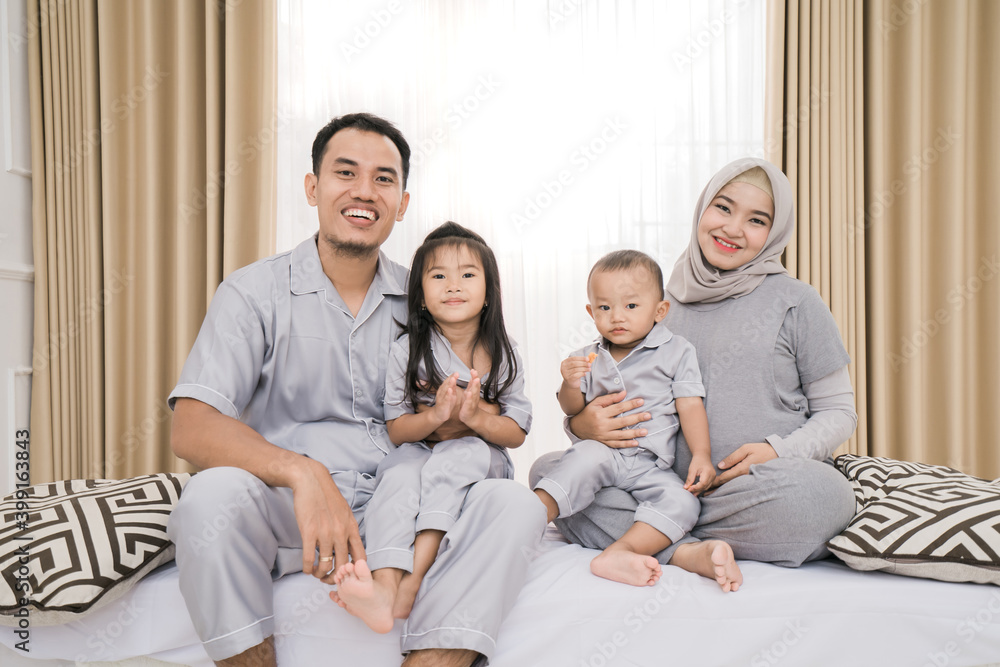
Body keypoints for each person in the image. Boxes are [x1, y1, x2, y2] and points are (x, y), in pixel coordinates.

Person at [167, 113, 545, 667]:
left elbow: (485, 405)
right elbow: (192, 427)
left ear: (402, 202)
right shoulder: (252, 292)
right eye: (346, 173)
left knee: (513, 504)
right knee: (207, 500)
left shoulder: (429, 300)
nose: (364, 191)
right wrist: (303, 472)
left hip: (406, 502)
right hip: (291, 507)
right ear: (312, 187)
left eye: (384, 179)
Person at [530, 157, 858, 579]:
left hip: (750, 490)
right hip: (654, 481)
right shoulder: (653, 304)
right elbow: (601, 393)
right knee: (549, 470)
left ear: (775, 233)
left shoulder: (797, 302)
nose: (733, 228)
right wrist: (582, 426)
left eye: (756, 220)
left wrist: (778, 449)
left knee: (824, 497)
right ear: (702, 208)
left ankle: (661, 534)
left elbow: (838, 412)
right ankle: (684, 547)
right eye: (723, 208)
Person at [331, 221, 532, 633]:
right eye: (438, 275)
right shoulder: (407, 350)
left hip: (481, 457)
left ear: (490, 291)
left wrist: (475, 419)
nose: (453, 285)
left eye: (468, 275)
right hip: (421, 450)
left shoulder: (503, 353)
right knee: (400, 472)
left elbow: (517, 431)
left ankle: (414, 578)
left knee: (463, 452)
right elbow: (398, 429)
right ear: (420, 297)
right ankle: (384, 587)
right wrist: (437, 417)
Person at [532, 250, 741, 591]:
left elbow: (689, 405)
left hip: (650, 466)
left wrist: (701, 455)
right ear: (591, 312)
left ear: (660, 311)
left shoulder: (676, 351)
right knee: (578, 462)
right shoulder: (586, 357)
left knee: (683, 502)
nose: (617, 317)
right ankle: (524, 522)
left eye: (630, 306)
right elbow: (572, 410)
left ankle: (620, 552)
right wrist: (570, 383)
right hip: (602, 453)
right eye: (604, 307)